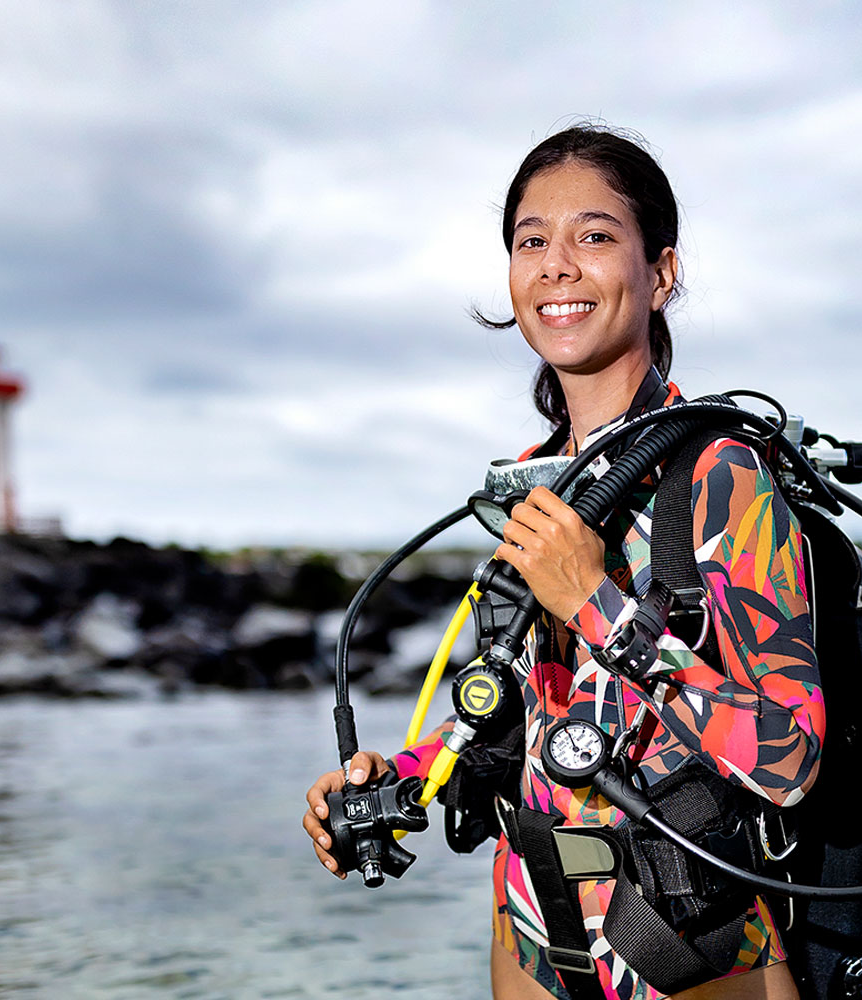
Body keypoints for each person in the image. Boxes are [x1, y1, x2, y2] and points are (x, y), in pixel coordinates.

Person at [302, 125, 824, 1000]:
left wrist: (595, 602)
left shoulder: (718, 474)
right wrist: (395, 778)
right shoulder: (532, 477)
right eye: (530, 240)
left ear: (660, 273)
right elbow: (522, 706)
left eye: (594, 236)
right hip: (532, 928)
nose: (556, 265)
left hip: (690, 945)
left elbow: (789, 758)